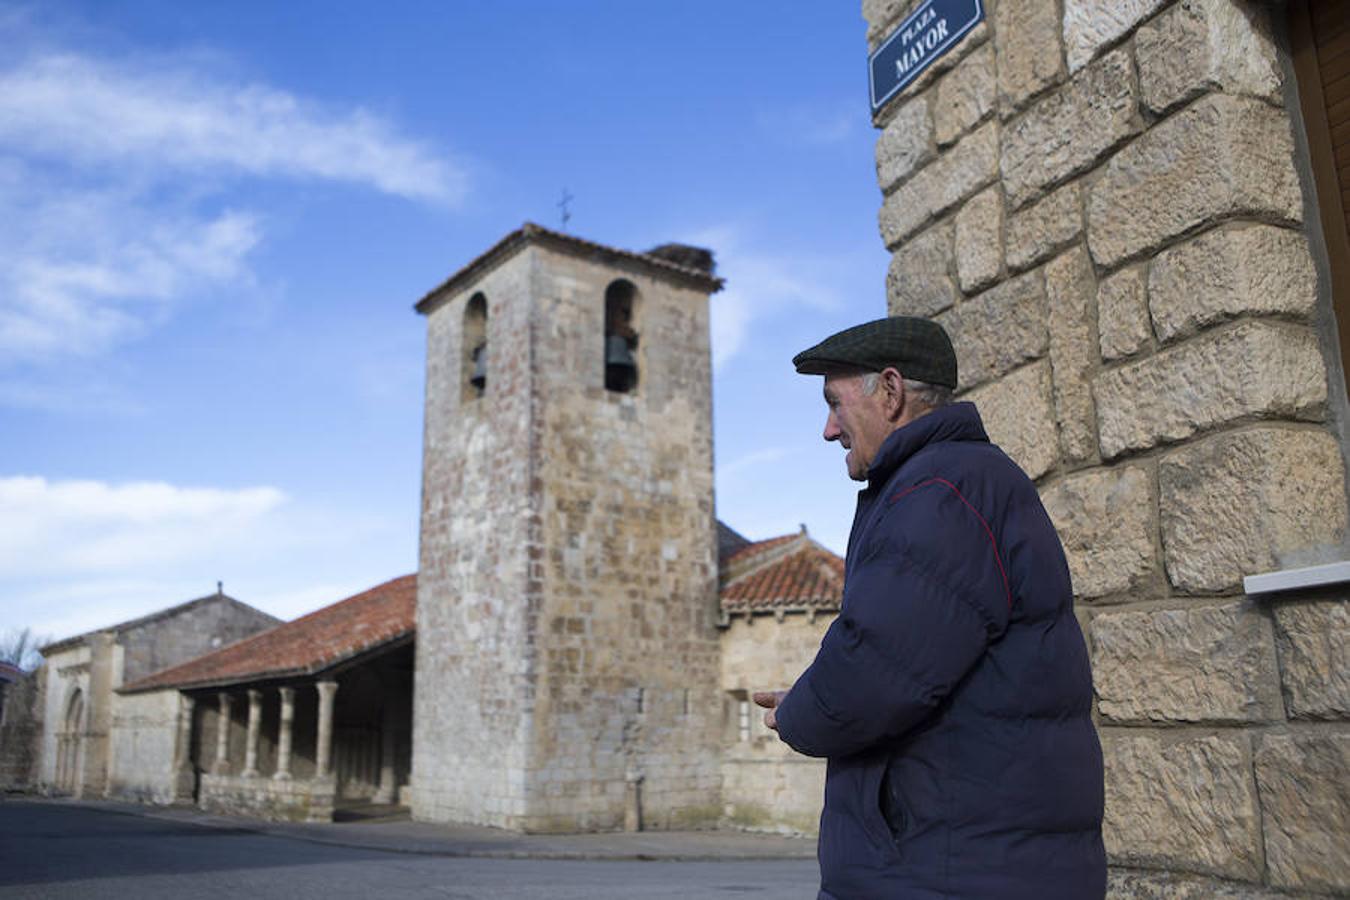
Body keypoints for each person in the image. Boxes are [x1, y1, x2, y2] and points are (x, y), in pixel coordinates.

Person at [755, 316, 1105, 899]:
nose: (827, 429)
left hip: (949, 870)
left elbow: (871, 673)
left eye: (835, 404)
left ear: (890, 392)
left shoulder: (941, 492)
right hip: (966, 860)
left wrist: (797, 714)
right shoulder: (952, 483)